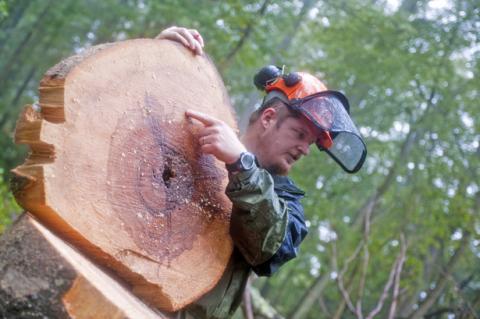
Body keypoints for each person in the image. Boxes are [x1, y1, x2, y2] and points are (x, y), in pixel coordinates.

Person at [156, 26, 367, 319]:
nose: (304, 149)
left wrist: (242, 165)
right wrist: (161, 55)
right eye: (299, 134)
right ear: (269, 118)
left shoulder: (286, 203)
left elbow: (272, 249)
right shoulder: (197, 133)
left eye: (311, 142)